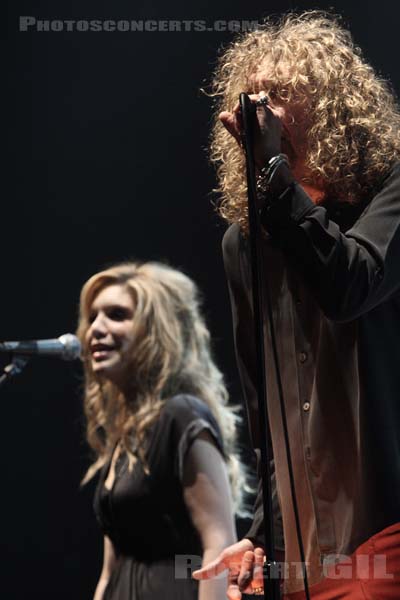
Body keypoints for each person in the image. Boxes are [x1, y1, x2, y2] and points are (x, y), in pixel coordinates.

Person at [193, 10, 400, 599]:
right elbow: (265, 407)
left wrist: (276, 173)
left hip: (385, 541)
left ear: (332, 105)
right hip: (301, 557)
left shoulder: (390, 194)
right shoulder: (245, 244)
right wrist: (262, 535)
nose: (261, 106)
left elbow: (350, 286)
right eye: (254, 93)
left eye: (281, 93)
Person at [76, 261, 244, 600]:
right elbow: (110, 569)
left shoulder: (181, 417)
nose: (95, 327)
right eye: (92, 316)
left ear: (157, 330)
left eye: (117, 315)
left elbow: (219, 543)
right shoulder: (124, 438)